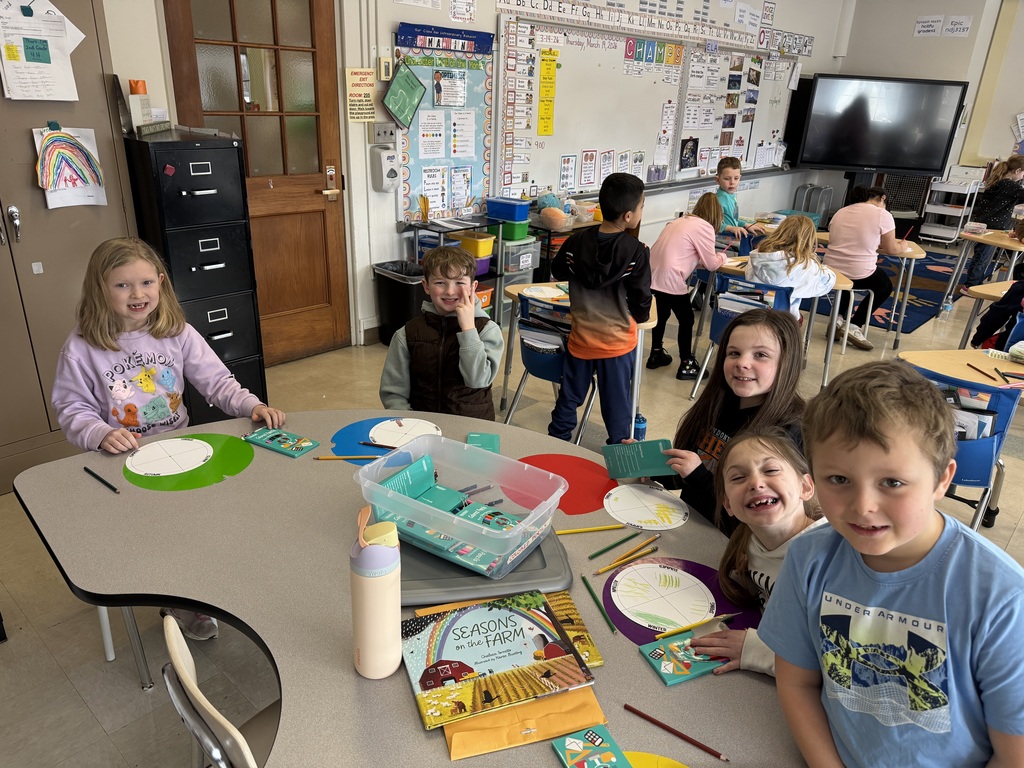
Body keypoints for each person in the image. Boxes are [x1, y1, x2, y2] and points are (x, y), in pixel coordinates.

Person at [759, 361, 1024, 768]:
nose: (863, 507)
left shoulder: (1003, 597)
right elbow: (797, 682)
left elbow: (1013, 755)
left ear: (942, 479)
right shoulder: (808, 557)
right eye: (839, 480)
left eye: (892, 483)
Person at [52, 237, 287, 640]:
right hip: (121, 462)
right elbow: (72, 410)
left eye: (146, 283)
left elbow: (216, 382)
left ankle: (213, 586)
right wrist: (100, 432)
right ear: (99, 289)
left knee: (211, 520)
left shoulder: (176, 331)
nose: (137, 294)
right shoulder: (80, 348)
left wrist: (251, 406)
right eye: (122, 285)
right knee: (160, 538)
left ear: (161, 282)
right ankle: (181, 601)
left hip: (179, 449)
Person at [655, 308, 805, 536]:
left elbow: (759, 516)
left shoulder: (789, 430)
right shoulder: (719, 403)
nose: (742, 363)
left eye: (761, 355)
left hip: (730, 548)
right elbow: (688, 476)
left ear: (787, 362)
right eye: (734, 353)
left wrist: (698, 476)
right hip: (690, 529)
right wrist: (651, 467)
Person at [689, 428, 825, 676]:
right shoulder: (749, 544)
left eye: (771, 470)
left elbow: (832, 663)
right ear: (728, 505)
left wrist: (756, 650)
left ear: (805, 486)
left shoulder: (827, 562)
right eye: (738, 478)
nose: (755, 483)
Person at [547, 172, 651, 444]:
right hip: (617, 344)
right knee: (618, 407)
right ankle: (620, 454)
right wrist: (639, 317)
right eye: (641, 207)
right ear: (628, 215)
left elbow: (557, 270)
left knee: (569, 399)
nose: (641, 212)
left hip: (581, 339)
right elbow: (641, 296)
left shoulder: (576, 241)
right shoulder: (636, 251)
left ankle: (555, 443)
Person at [379, 245, 503, 419]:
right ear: (426, 286)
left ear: (473, 287)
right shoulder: (407, 334)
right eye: (440, 282)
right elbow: (393, 393)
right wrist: (408, 422)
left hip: (473, 425)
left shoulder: (487, 330)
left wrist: (468, 329)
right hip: (422, 424)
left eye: (459, 282)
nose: (450, 291)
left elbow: (477, 380)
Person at [647, 192, 728, 379]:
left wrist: (696, 261)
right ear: (717, 216)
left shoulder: (678, 221)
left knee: (661, 315)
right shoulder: (705, 227)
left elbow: (681, 253)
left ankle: (655, 353)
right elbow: (712, 265)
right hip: (670, 278)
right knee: (687, 319)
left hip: (652, 275)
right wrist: (723, 256)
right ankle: (686, 364)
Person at [822, 185, 908, 351]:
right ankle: (854, 325)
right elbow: (891, 249)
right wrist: (903, 245)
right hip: (859, 272)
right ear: (882, 198)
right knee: (884, 286)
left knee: (846, 284)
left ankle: (837, 319)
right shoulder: (882, 214)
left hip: (831, 270)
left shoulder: (841, 212)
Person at [745, 215, 836, 320]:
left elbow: (748, 275)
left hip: (752, 316)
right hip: (784, 321)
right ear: (808, 239)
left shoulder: (756, 256)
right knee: (799, 318)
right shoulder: (805, 266)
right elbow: (826, 282)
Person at [961, 155, 1024, 290]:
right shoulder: (1009, 185)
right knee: (982, 258)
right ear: (1018, 170)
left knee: (981, 256)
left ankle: (974, 282)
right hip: (992, 227)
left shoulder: (1001, 181)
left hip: (987, 224)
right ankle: (971, 285)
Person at [715, 156, 765, 256]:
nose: (732, 182)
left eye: (736, 178)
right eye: (727, 179)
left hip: (734, 237)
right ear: (718, 180)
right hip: (725, 240)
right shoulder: (721, 199)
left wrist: (745, 225)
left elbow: (733, 219)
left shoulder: (730, 196)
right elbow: (713, 224)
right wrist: (732, 228)